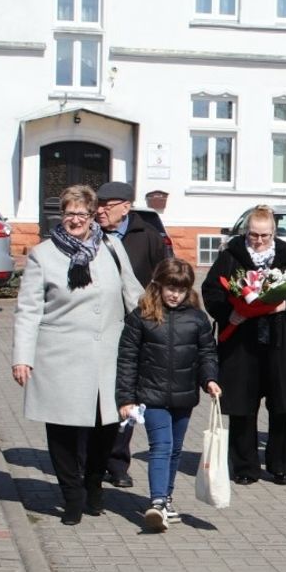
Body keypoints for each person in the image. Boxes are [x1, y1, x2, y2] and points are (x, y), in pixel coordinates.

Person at [12, 185, 143, 525]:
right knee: (63, 433)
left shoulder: (111, 247)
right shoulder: (43, 254)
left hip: (108, 355)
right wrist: (22, 357)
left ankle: (94, 486)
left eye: (81, 214)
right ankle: (71, 496)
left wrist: (166, 324)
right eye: (68, 213)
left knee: (106, 428)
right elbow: (28, 310)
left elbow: (134, 295)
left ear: (91, 216)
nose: (74, 220)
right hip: (60, 356)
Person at [202, 205, 286, 486]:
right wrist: (230, 313)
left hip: (281, 343)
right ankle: (245, 467)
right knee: (243, 407)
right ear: (246, 232)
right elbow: (211, 290)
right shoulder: (231, 256)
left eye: (265, 236)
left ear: (274, 234)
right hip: (242, 344)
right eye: (253, 235)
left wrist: (285, 305)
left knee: (281, 407)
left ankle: (280, 465)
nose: (259, 241)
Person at [116, 258, 221, 531]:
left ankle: (167, 499)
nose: (175, 294)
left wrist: (210, 379)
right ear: (158, 286)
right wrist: (126, 399)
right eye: (170, 288)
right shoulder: (142, 316)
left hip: (184, 396)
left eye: (181, 289)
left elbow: (207, 353)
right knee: (161, 446)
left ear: (188, 291)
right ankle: (158, 502)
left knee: (174, 449)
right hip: (151, 395)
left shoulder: (198, 318)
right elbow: (127, 359)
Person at [96, 181, 168, 489]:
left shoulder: (148, 237)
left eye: (106, 206)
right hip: (99, 326)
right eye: (96, 206)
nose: (99, 211)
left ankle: (117, 462)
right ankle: (94, 460)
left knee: (128, 394)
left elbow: (163, 278)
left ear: (125, 207)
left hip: (135, 325)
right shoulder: (91, 237)